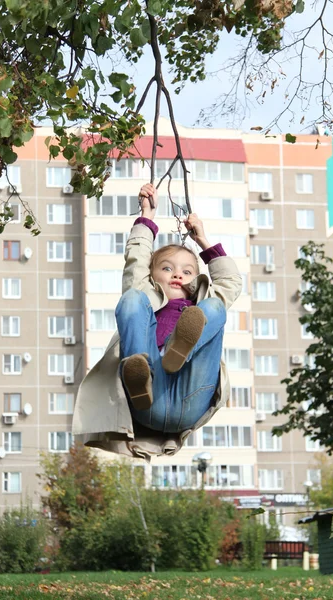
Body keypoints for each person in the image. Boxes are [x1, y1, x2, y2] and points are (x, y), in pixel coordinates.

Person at [72, 183, 242, 459]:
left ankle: (181, 349)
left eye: (187, 271)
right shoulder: (146, 296)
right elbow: (136, 261)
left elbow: (231, 281)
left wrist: (203, 240)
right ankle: (141, 373)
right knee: (131, 300)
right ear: (153, 275)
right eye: (167, 268)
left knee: (215, 308)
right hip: (146, 399)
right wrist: (147, 216)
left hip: (192, 394)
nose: (178, 275)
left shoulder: (201, 299)